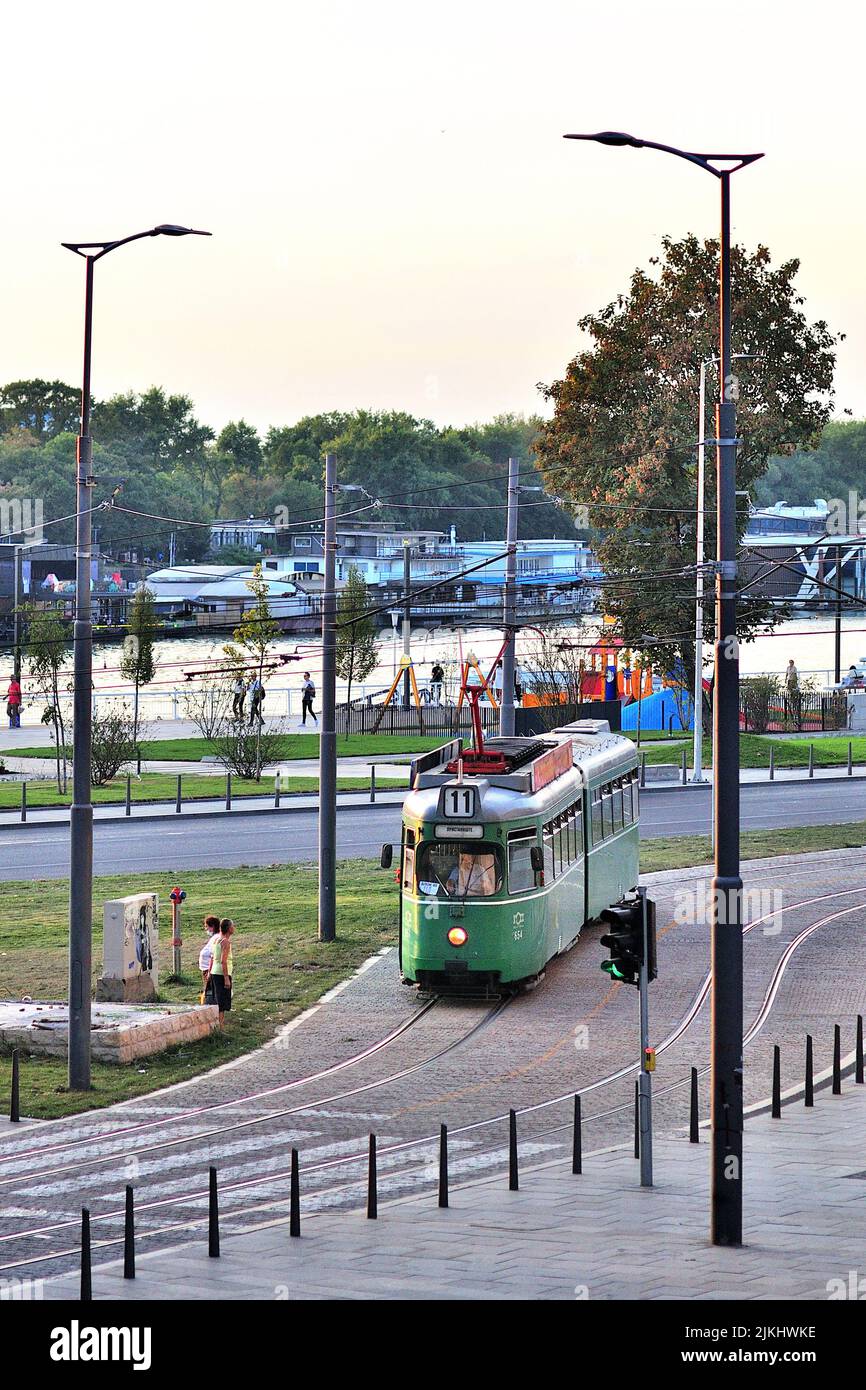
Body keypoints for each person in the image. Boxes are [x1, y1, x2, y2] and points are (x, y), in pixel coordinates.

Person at [204, 918, 235, 1027]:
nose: (234, 928)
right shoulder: (225, 942)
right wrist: (226, 978)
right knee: (222, 1002)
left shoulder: (217, 940)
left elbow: (212, 957)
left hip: (214, 972)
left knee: (218, 999)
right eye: (233, 926)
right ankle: (220, 1026)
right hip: (221, 973)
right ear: (229, 928)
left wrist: (209, 972)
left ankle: (219, 1024)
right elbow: (223, 961)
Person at [198, 914, 221, 997]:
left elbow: (213, 956)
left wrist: (209, 972)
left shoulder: (216, 938)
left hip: (209, 969)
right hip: (207, 969)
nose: (206, 929)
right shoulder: (215, 937)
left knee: (210, 993)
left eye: (207, 926)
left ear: (213, 926)